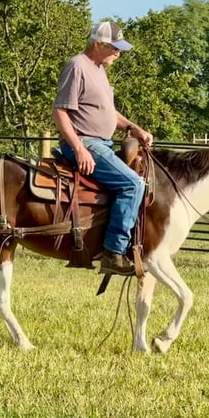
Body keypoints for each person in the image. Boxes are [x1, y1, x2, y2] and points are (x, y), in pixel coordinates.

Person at [52, 21, 154, 276]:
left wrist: (132, 127)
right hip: (87, 142)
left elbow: (106, 112)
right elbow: (60, 111)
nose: (119, 53)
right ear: (97, 44)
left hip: (102, 143)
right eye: (114, 48)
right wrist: (78, 148)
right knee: (133, 184)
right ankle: (114, 252)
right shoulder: (77, 66)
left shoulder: (99, 69)